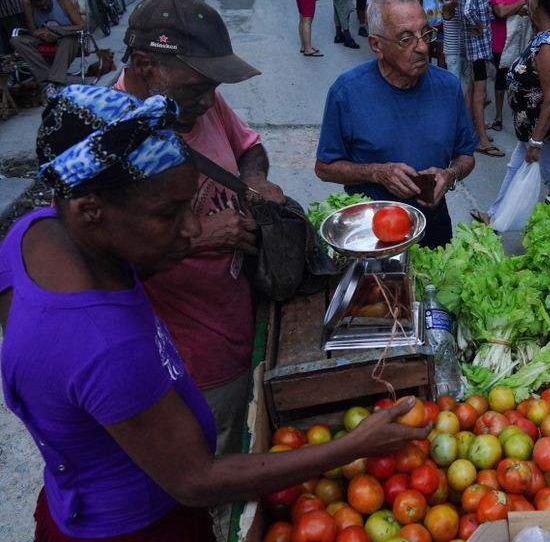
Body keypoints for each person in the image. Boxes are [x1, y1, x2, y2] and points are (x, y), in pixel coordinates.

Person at [0, 86, 431, 539]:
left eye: (188, 205)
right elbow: (195, 480)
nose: (191, 227)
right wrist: (353, 447)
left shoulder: (33, 235)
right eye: (169, 214)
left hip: (72, 498)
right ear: (91, 210)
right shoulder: (106, 347)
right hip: (141, 527)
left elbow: (59, 368)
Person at [114, 0, 290, 537]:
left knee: (247, 455)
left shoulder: (200, 99)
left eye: (215, 85)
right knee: (210, 494)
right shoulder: (106, 144)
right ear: (145, 66)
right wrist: (197, 239)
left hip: (242, 323)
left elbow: (248, 147)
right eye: (197, 84)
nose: (210, 97)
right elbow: (97, 277)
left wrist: (256, 181)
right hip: (189, 365)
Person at [315, 0, 477, 248]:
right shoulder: (346, 93)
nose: (423, 47)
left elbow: (466, 155)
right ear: (376, 45)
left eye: (425, 33)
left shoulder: (448, 87)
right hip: (371, 232)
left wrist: (450, 175)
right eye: (406, 38)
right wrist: (377, 173)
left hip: (433, 224)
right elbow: (324, 168)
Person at [474, 0, 550, 225]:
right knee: (515, 165)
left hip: (545, 126)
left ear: (541, 2)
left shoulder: (549, 45)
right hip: (536, 125)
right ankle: (495, 216)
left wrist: (536, 140)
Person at [460, 0, 502, 158]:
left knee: (471, 94)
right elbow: (466, 11)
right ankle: (481, 140)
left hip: (478, 49)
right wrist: (476, 24)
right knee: (479, 95)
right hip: (476, 50)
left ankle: (469, 133)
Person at [10, 0, 85, 97]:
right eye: (40, 6)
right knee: (16, 41)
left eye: (46, 3)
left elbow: (81, 26)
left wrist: (55, 30)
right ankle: (47, 82)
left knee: (68, 40)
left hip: (66, 34)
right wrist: (41, 34)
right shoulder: (28, 4)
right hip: (44, 36)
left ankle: (56, 81)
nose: (44, 7)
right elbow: (33, 30)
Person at [489, 0, 531, 132]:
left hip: (521, 37)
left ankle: (520, 115)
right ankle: (498, 116)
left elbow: (531, 4)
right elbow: (500, 11)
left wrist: (516, 6)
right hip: (500, 38)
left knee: (521, 77)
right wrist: (521, 3)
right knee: (501, 77)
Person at [443, 0, 471, 96]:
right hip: (453, 54)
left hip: (466, 52)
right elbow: (454, 1)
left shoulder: (467, 7)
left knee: (468, 87)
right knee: (454, 87)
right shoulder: (448, 6)